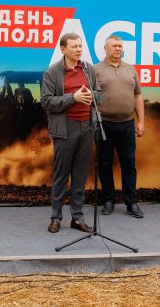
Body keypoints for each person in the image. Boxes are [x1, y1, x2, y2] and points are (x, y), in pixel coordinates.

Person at [41, 33, 101, 233]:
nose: (78, 49)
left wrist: (92, 96)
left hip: (86, 127)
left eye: (80, 46)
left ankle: (77, 217)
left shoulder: (88, 69)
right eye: (74, 46)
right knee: (61, 175)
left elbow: (99, 95)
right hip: (65, 128)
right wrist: (73, 98)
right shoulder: (52, 72)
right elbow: (47, 102)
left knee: (80, 176)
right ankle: (56, 217)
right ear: (63, 49)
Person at [94, 35, 145, 218]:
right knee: (105, 163)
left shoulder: (130, 69)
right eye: (114, 46)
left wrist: (141, 121)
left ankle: (131, 202)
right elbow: (90, 99)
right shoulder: (95, 70)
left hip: (126, 124)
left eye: (120, 46)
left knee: (128, 164)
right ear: (105, 48)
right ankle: (108, 200)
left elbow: (138, 96)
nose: (118, 49)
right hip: (103, 124)